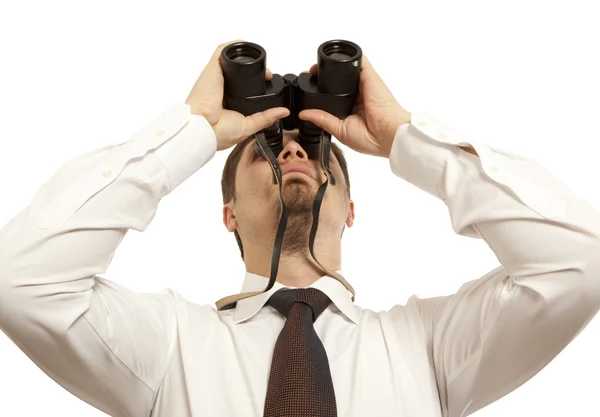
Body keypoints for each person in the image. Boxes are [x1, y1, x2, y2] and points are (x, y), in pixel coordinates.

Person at [0, 39, 598, 417]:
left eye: (316, 150)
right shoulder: (169, 347)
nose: (293, 154)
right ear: (228, 213)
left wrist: (404, 139)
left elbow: (581, 263)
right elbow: (20, 280)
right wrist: (193, 133)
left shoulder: (428, 347)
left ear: (352, 208)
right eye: (265, 151)